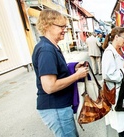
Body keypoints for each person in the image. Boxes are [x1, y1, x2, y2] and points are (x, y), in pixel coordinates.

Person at [32, 9, 88, 137]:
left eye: (65, 26)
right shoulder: (46, 50)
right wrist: (77, 75)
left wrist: (73, 68)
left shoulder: (51, 46)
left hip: (59, 107)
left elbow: (56, 72)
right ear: (47, 25)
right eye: (61, 26)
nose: (65, 29)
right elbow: (50, 86)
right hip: (55, 108)